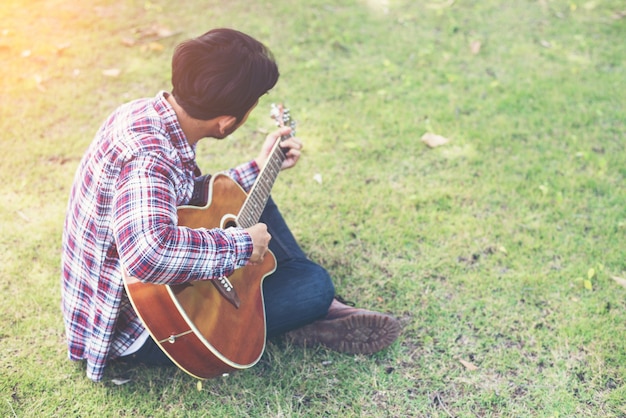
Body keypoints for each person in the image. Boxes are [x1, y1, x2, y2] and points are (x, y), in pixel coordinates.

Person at [61, 28, 400, 382]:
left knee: (247, 194)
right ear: (226, 122)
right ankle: (318, 310)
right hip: (145, 322)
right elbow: (147, 254)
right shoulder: (149, 157)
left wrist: (260, 166)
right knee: (314, 286)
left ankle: (295, 311)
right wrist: (242, 245)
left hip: (148, 291)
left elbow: (184, 198)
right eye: (251, 106)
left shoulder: (144, 115)